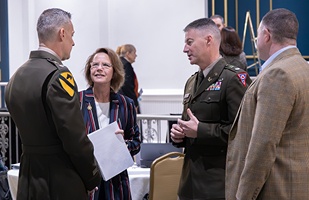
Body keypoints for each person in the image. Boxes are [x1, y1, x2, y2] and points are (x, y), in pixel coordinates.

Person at [4, 8, 101, 200]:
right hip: (60, 181)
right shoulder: (58, 76)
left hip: (28, 179)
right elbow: (75, 139)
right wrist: (92, 177)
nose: (73, 42)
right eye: (72, 36)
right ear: (62, 33)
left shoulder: (16, 77)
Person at [225, 8, 309, 199]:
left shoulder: (276, 74)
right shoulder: (302, 68)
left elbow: (262, 145)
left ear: (266, 35)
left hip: (276, 189)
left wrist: (243, 195)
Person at [170, 18, 251, 200]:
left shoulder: (234, 79)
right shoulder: (191, 82)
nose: (185, 49)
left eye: (189, 42)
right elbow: (189, 127)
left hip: (217, 185)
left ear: (208, 40)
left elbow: (242, 133)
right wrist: (179, 135)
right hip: (189, 184)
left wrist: (200, 130)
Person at [80, 47, 141, 200]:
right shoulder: (77, 101)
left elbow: (136, 143)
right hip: (86, 181)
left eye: (105, 65)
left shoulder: (126, 104)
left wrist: (123, 144)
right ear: (89, 70)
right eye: (95, 65)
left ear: (114, 72)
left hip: (116, 184)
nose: (99, 68)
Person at [116, 44, 140, 113]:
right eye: (134, 53)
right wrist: (134, 103)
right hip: (126, 102)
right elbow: (128, 86)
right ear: (128, 53)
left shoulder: (118, 63)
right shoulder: (126, 65)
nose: (136, 55)